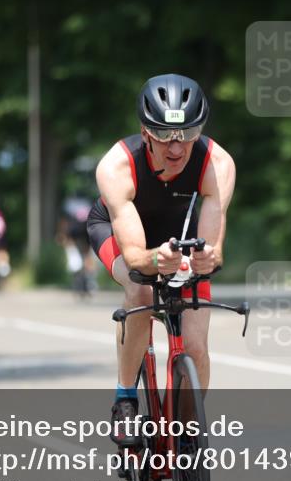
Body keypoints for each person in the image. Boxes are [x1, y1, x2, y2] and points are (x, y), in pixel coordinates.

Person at [87, 73, 236, 447]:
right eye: (164, 135)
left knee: (196, 346)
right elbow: (137, 257)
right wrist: (155, 258)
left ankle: (186, 433)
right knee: (139, 292)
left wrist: (207, 259)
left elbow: (214, 247)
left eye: (187, 135)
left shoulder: (217, 162)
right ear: (144, 130)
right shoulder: (116, 166)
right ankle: (124, 400)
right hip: (120, 234)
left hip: (179, 238)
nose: (176, 147)